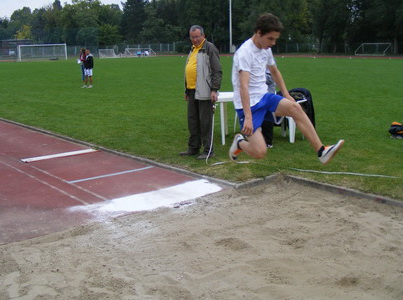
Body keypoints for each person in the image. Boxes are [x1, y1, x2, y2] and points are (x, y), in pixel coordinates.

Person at [229, 13, 344, 165]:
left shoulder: (266, 49)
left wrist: (286, 94)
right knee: (260, 152)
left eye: (276, 39)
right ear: (258, 33)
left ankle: (321, 151)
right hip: (248, 105)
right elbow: (243, 86)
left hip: (264, 96)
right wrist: (248, 118)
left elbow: (274, 71)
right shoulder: (244, 53)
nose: (273, 43)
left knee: (296, 108)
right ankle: (239, 143)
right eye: (270, 38)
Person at [179, 25, 222, 159]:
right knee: (192, 121)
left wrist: (214, 89)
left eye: (197, 36)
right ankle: (193, 148)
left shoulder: (209, 48)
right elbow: (189, 70)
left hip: (205, 91)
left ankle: (208, 150)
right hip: (192, 91)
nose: (195, 39)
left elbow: (217, 70)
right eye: (192, 37)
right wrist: (186, 89)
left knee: (205, 122)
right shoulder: (193, 49)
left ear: (203, 35)